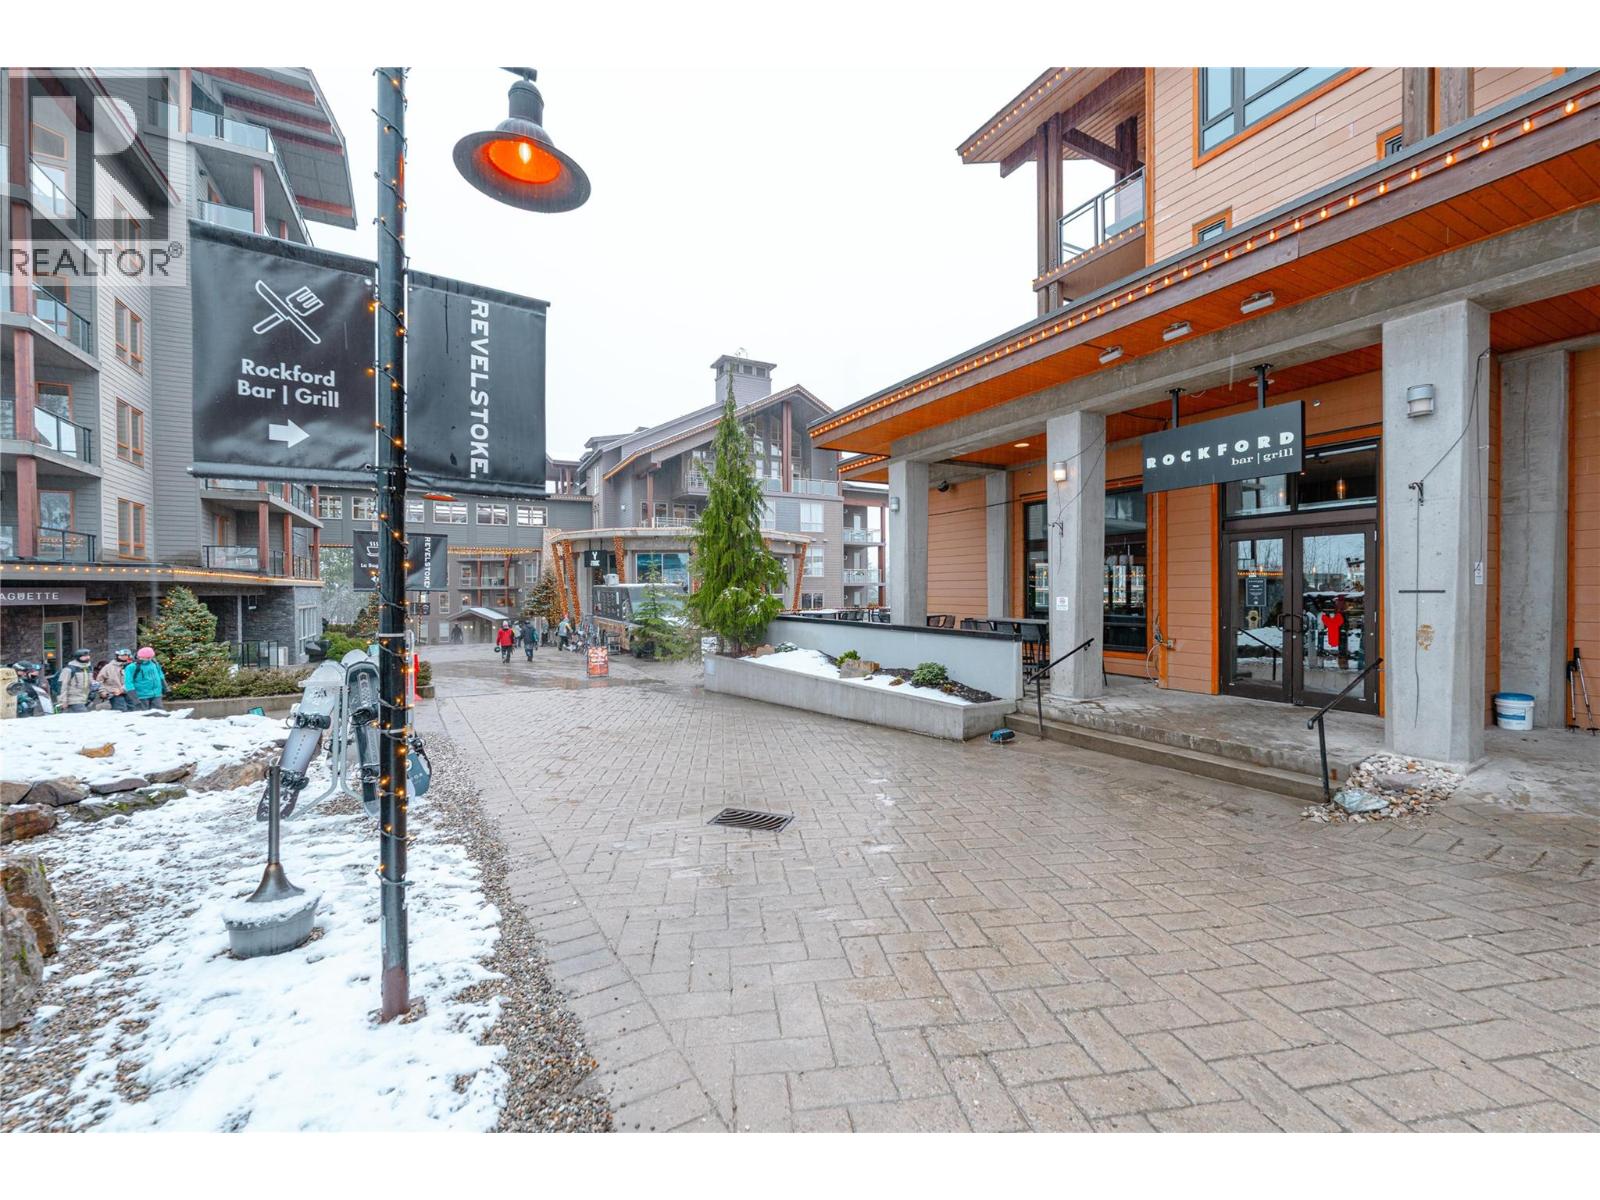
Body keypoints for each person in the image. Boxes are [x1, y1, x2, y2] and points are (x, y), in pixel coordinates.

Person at [124, 646, 167, 711]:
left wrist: (165, 687)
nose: (149, 659)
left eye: (150, 657)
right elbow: (128, 683)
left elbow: (160, 675)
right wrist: (134, 698)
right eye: (147, 657)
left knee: (158, 714)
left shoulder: (155, 664)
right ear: (139, 656)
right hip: (141, 696)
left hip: (156, 695)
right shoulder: (131, 667)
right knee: (143, 715)